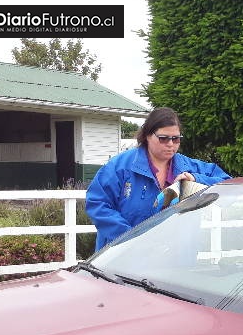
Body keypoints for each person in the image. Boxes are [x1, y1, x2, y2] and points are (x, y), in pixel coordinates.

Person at [86, 107, 232, 251]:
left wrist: (195, 178)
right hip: (123, 256)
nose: (170, 144)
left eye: (176, 139)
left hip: (176, 257)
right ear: (147, 135)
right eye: (163, 138)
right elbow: (97, 204)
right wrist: (131, 239)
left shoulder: (190, 167)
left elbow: (228, 182)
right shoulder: (119, 167)